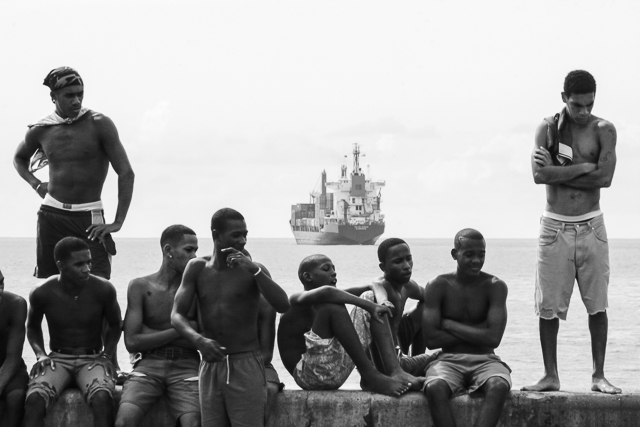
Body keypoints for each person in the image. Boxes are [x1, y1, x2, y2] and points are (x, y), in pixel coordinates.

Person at [523, 70, 620, 394]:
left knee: (598, 306)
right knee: (548, 307)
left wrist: (558, 172)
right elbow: (539, 177)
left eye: (589, 105)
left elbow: (604, 179)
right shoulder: (547, 130)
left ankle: (598, 376)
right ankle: (550, 375)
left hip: (592, 225)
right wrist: (581, 168)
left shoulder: (604, 130)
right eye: (578, 105)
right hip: (554, 226)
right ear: (564, 97)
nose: (584, 112)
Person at [171, 208, 290, 427]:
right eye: (236, 235)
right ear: (216, 235)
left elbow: (283, 304)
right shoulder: (196, 268)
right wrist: (199, 340)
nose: (243, 240)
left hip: (245, 364)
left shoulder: (254, 270)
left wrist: (254, 271)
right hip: (211, 365)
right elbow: (177, 315)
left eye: (245, 234)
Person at [13, 66, 135, 280]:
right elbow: (18, 158)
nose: (76, 101)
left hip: (89, 217)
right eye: (69, 95)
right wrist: (35, 184)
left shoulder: (99, 124)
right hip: (52, 213)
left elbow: (126, 173)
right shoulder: (41, 129)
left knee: (98, 282)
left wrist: (117, 222)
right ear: (53, 97)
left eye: (80, 94)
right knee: (50, 284)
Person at [278, 254, 420, 397]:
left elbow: (375, 285)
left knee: (369, 295)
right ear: (308, 277)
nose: (333, 272)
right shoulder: (296, 300)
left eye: (334, 268)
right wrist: (371, 307)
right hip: (309, 376)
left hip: (335, 368)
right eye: (326, 269)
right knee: (333, 307)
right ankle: (370, 375)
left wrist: (382, 302)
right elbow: (328, 292)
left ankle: (394, 371)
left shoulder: (332, 296)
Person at [24, 237, 122, 427]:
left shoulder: (103, 289)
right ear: (61, 265)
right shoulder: (42, 292)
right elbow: (32, 327)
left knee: (103, 398)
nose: (87, 268)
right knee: (35, 399)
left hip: (92, 358)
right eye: (79, 264)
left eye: (89, 262)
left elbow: (115, 325)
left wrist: (106, 355)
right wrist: (40, 355)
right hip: (58, 359)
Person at [422, 229, 511, 427]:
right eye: (469, 254)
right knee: (435, 387)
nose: (476, 260)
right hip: (448, 360)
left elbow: (493, 339)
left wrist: (449, 324)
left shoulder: (495, 286)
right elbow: (431, 340)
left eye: (481, 254)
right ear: (455, 254)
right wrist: (479, 331)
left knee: (499, 385)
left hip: (486, 360)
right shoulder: (438, 285)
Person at [116, 225, 201, 427]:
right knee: (123, 422)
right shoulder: (141, 286)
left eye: (196, 250)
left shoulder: (198, 289)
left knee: (194, 423)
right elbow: (132, 341)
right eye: (189, 250)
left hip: (187, 365)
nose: (195, 256)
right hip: (147, 365)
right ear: (168, 250)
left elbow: (203, 338)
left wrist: (150, 335)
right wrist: (184, 328)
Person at [369, 238, 436, 375]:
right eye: (398, 261)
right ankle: (415, 367)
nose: (406, 266)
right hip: (386, 359)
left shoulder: (408, 286)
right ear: (383, 267)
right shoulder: (381, 286)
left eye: (408, 259)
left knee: (425, 307)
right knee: (443, 357)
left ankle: (416, 361)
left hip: (399, 344)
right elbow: (342, 292)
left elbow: (431, 298)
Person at [0, 270, 29, 427]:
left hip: (9, 367)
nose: (0, 289)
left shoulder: (15, 304)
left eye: (1, 282)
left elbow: (13, 357)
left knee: (16, 396)